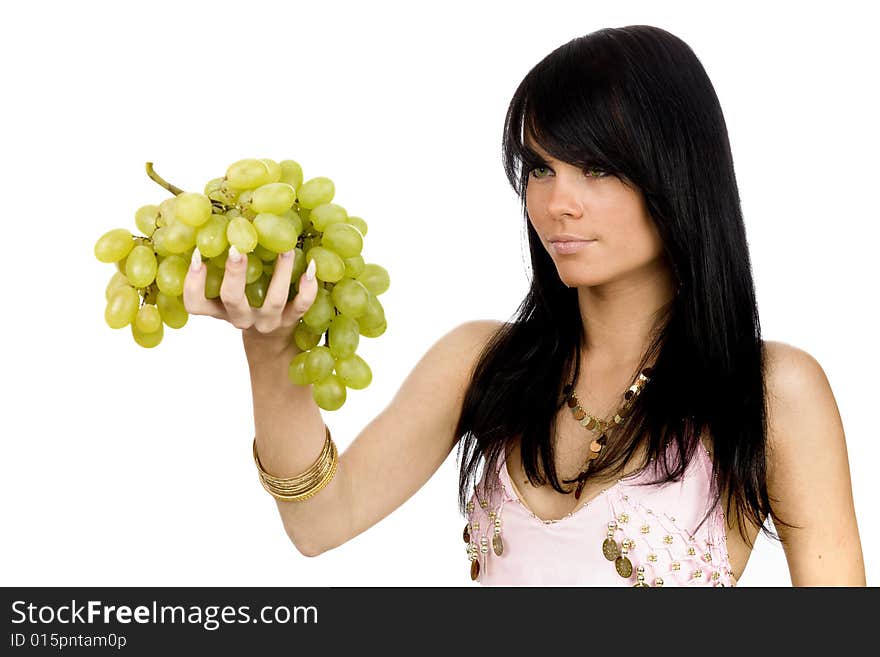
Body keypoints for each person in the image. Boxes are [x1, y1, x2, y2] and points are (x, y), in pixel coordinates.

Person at [182, 25, 865, 586]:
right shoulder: (483, 361)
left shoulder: (774, 391)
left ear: (677, 172)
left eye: (595, 167)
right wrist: (269, 348)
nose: (555, 202)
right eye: (540, 167)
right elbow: (321, 522)